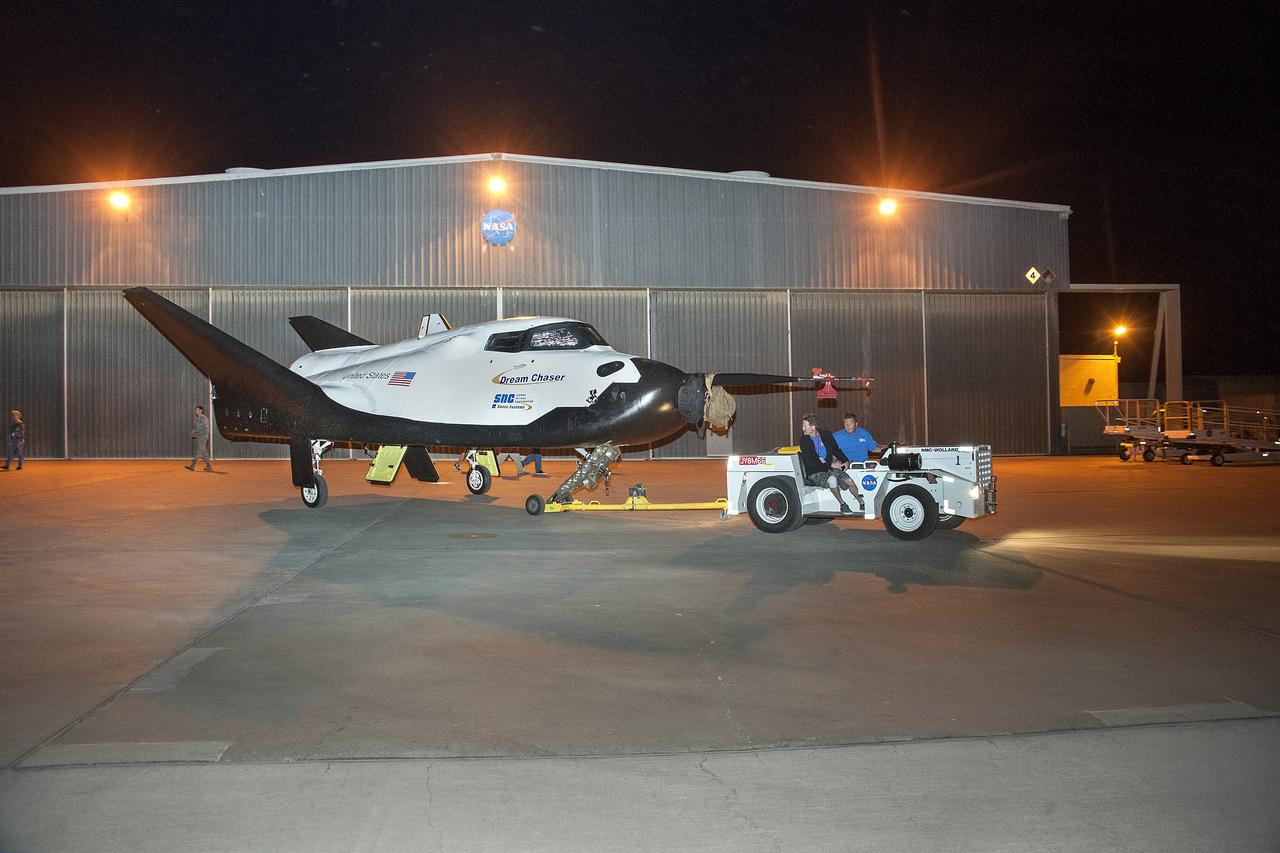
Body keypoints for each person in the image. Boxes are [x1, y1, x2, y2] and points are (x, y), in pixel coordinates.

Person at [797, 413, 861, 515]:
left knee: (849, 481)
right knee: (832, 480)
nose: (803, 428)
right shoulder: (804, 440)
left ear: (813, 427)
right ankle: (842, 505)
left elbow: (836, 450)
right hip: (815, 471)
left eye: (805, 426)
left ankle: (861, 503)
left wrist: (846, 461)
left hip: (828, 468)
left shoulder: (826, 435)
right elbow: (811, 461)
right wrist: (831, 465)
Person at [186, 405, 213, 471]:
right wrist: (194, 431)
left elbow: (206, 428)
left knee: (200, 451)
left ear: (201, 410)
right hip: (199, 437)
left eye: (197, 410)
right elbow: (196, 428)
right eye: (196, 410)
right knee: (204, 452)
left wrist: (206, 437)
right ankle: (209, 467)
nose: (196, 411)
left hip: (203, 437)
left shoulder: (204, 418)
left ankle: (193, 465)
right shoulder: (196, 419)